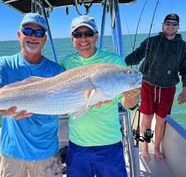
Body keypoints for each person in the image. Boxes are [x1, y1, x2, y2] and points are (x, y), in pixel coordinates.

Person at [61, 15, 140, 177]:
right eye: (78, 34)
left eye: (88, 33)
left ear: (96, 35)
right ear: (72, 38)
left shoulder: (115, 62)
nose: (83, 38)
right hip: (77, 145)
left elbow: (128, 103)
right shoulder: (66, 63)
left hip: (109, 144)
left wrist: (132, 97)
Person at [0, 13, 64, 177]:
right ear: (19, 35)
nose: (33, 37)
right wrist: (5, 111)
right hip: (12, 153)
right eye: (28, 31)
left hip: (47, 153)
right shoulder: (4, 64)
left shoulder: (56, 71)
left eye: (39, 33)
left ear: (44, 39)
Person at [125, 13, 186, 161]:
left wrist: (185, 89)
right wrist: (121, 62)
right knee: (147, 117)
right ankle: (145, 146)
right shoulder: (151, 41)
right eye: (168, 23)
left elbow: (185, 69)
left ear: (179, 26)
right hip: (148, 84)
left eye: (173, 24)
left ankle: (157, 147)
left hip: (168, 87)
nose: (170, 26)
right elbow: (136, 55)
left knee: (161, 120)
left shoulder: (183, 46)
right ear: (163, 25)